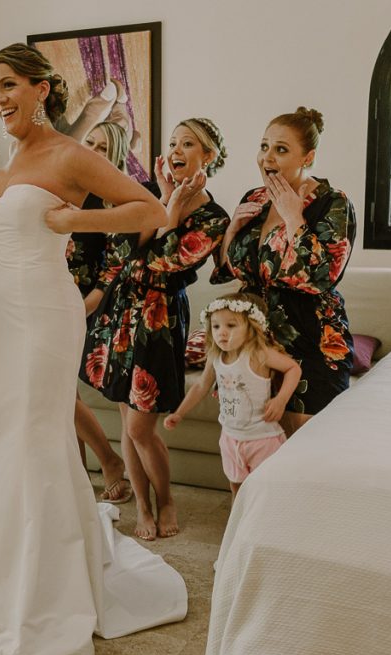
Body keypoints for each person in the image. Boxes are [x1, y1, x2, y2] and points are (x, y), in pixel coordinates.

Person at [0, 43, 187, 655]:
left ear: (41, 88)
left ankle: (42, 587)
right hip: (6, 316)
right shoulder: (9, 158)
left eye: (8, 84)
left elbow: (149, 210)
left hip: (45, 313)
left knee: (35, 434)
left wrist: (72, 224)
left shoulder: (69, 153)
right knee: (6, 430)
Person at [82, 117, 230, 541]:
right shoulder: (147, 191)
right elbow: (122, 251)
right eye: (173, 142)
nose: (177, 150)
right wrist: (164, 203)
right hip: (121, 311)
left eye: (189, 144)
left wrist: (167, 215)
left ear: (208, 156)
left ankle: (166, 500)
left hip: (160, 318)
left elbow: (159, 261)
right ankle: (144, 507)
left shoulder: (213, 218)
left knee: (139, 428)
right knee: (127, 418)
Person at [214, 107, 356, 435]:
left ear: (308, 157)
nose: (267, 157)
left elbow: (322, 277)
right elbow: (232, 270)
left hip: (312, 340)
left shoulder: (333, 203)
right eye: (264, 146)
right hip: (255, 342)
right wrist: (232, 230)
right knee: (251, 443)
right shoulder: (255, 199)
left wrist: (294, 218)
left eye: (281, 149)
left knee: (302, 446)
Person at [164, 293, 301, 499]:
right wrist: (179, 413)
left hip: (262, 439)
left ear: (251, 327)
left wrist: (280, 400)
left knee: (267, 492)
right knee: (236, 486)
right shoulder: (215, 356)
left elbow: (293, 368)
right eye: (216, 326)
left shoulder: (257, 353)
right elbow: (201, 385)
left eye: (231, 325)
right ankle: (239, 516)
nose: (222, 332)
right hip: (230, 437)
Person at [69, 121, 137, 504]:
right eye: (89, 143)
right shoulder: (64, 189)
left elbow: (112, 270)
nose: (92, 152)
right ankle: (78, 475)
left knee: (62, 393)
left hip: (91, 307)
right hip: (49, 298)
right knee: (60, 394)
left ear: (116, 157)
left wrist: (80, 309)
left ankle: (110, 462)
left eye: (103, 148)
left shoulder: (116, 199)